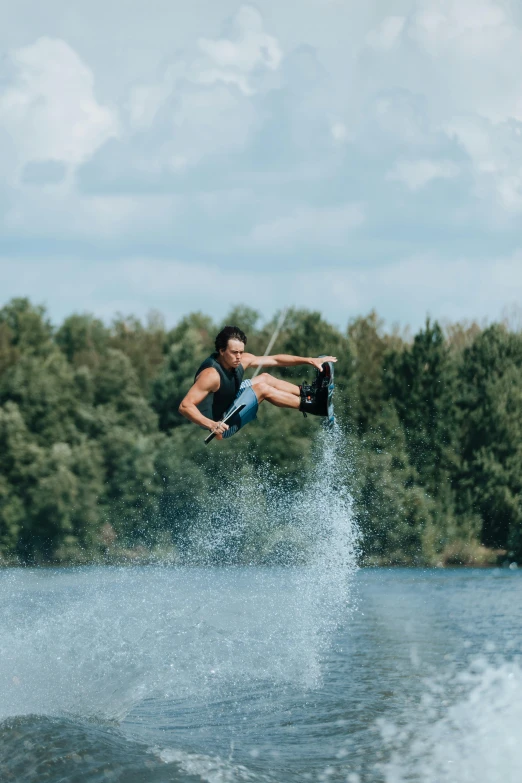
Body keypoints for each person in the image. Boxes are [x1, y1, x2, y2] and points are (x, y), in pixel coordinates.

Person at [179, 325, 337, 440]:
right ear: (221, 351)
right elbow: (185, 406)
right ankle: (314, 406)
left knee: (265, 377)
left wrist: (309, 360)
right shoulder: (211, 375)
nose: (239, 357)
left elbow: (275, 359)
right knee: (262, 388)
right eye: (234, 352)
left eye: (241, 352)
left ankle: (311, 393)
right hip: (222, 424)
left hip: (231, 401)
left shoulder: (240, 359)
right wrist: (212, 425)